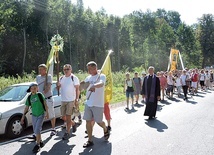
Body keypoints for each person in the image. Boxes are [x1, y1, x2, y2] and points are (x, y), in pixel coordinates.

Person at [82, 61, 110, 148]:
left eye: (90, 68)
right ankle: (90, 140)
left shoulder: (101, 76)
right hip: (88, 102)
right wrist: (81, 85)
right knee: (88, 121)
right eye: (88, 69)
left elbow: (101, 83)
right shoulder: (88, 77)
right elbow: (84, 87)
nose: (89, 70)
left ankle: (105, 128)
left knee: (98, 121)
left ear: (95, 68)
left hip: (98, 104)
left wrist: (94, 85)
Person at [21, 83, 49, 153]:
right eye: (32, 88)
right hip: (34, 115)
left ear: (37, 89)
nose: (33, 90)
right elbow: (26, 107)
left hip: (41, 115)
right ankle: (41, 141)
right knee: (36, 130)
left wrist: (47, 113)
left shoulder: (40, 95)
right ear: (30, 90)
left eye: (35, 88)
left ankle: (37, 145)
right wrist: (22, 117)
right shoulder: (29, 97)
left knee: (37, 130)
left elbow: (45, 104)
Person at [57, 64, 80, 140]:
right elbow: (58, 88)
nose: (66, 71)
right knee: (63, 117)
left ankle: (67, 132)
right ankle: (73, 124)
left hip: (71, 100)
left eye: (68, 69)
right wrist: (58, 86)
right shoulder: (61, 78)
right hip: (63, 100)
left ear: (71, 70)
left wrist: (77, 99)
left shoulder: (74, 78)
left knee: (68, 116)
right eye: (65, 69)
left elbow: (77, 89)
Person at [36, 64, 56, 136]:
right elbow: (37, 87)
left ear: (45, 70)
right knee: (40, 115)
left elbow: (49, 86)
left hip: (48, 98)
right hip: (40, 100)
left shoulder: (48, 76)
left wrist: (46, 89)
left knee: (51, 114)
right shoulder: (38, 77)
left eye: (41, 69)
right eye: (39, 70)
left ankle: (53, 128)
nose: (40, 71)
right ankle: (37, 131)